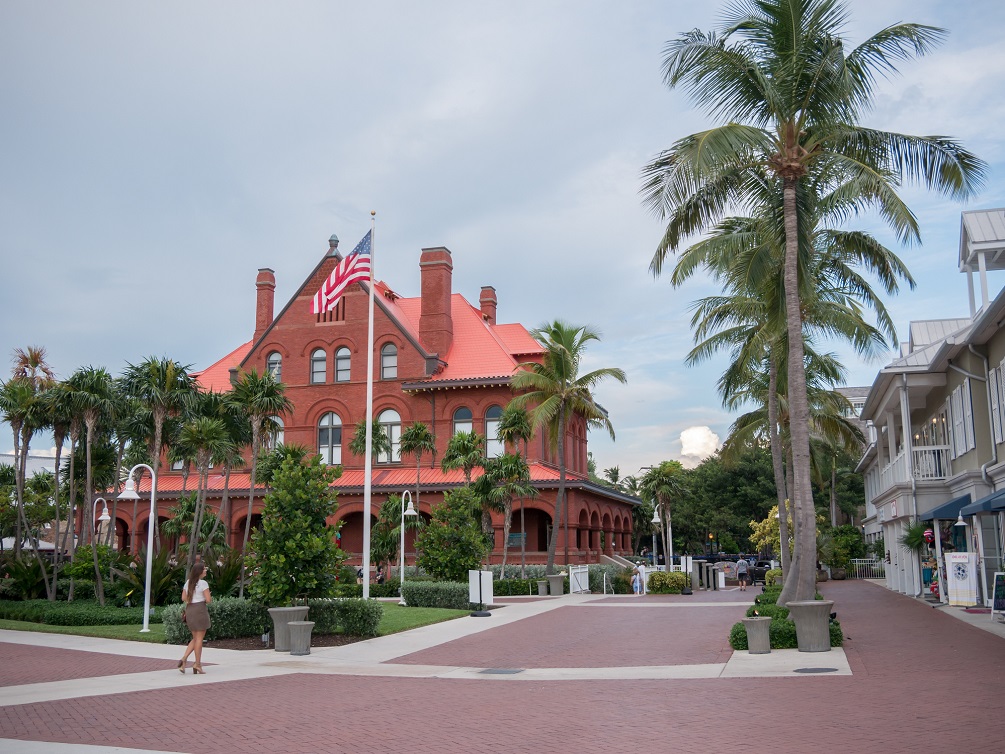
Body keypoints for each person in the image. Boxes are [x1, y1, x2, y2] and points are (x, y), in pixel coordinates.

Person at [178, 561, 212, 674]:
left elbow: (183, 598)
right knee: (199, 639)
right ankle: (197, 664)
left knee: (195, 638)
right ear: (200, 571)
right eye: (204, 569)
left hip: (190, 610)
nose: (206, 570)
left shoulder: (188, 583)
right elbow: (208, 600)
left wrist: (191, 599)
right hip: (200, 610)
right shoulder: (203, 583)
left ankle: (184, 659)